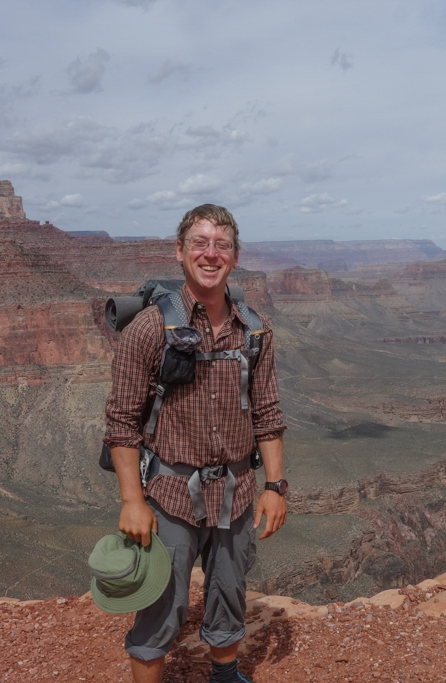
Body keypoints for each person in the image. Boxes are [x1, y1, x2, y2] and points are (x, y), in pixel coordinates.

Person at [103, 204, 288, 683]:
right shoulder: (149, 329)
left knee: (230, 591)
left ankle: (225, 677)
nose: (211, 254)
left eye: (221, 244)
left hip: (238, 492)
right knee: (161, 605)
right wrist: (131, 501)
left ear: (236, 255)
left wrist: (276, 486)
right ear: (180, 252)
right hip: (169, 496)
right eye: (200, 243)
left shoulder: (255, 331)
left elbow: (267, 413)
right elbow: (122, 421)